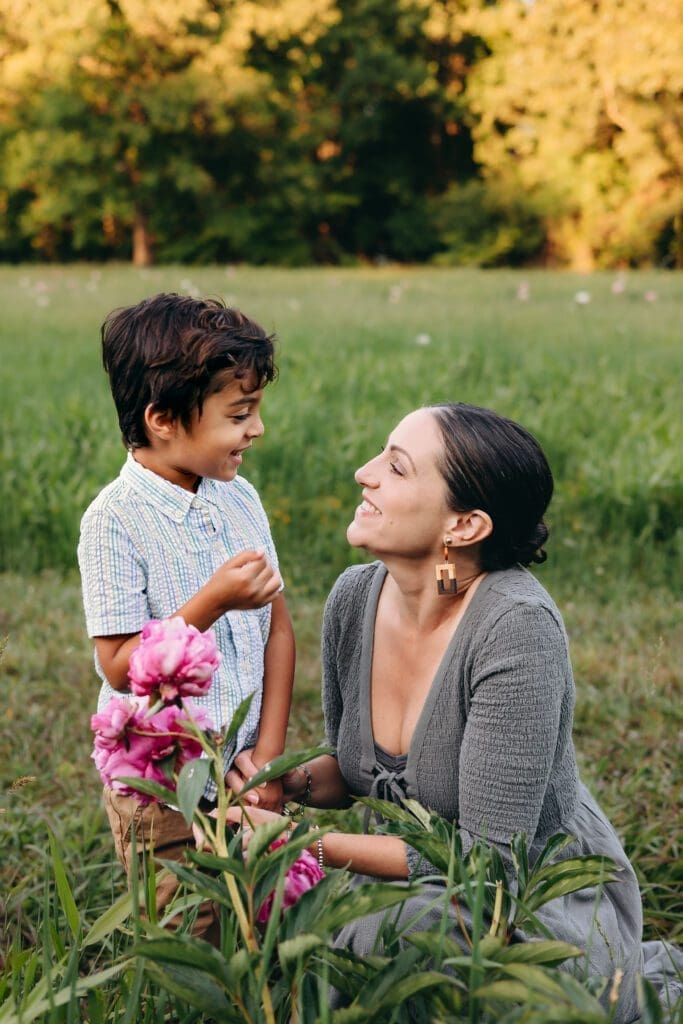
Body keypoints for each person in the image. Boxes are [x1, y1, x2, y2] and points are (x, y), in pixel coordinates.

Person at [227, 402, 680, 1022]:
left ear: (464, 526)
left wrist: (308, 845)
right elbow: (358, 772)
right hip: (402, 873)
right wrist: (291, 781)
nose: (364, 473)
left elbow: (491, 862)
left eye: (397, 467)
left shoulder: (516, 629)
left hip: (519, 898)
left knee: (399, 939)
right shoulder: (352, 598)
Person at [78, 293, 294, 936]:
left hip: (242, 765)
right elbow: (119, 668)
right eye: (239, 414)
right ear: (164, 419)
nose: (256, 430)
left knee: (260, 912)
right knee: (187, 923)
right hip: (161, 780)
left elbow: (278, 630)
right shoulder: (113, 522)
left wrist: (270, 758)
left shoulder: (239, 496)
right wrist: (212, 603)